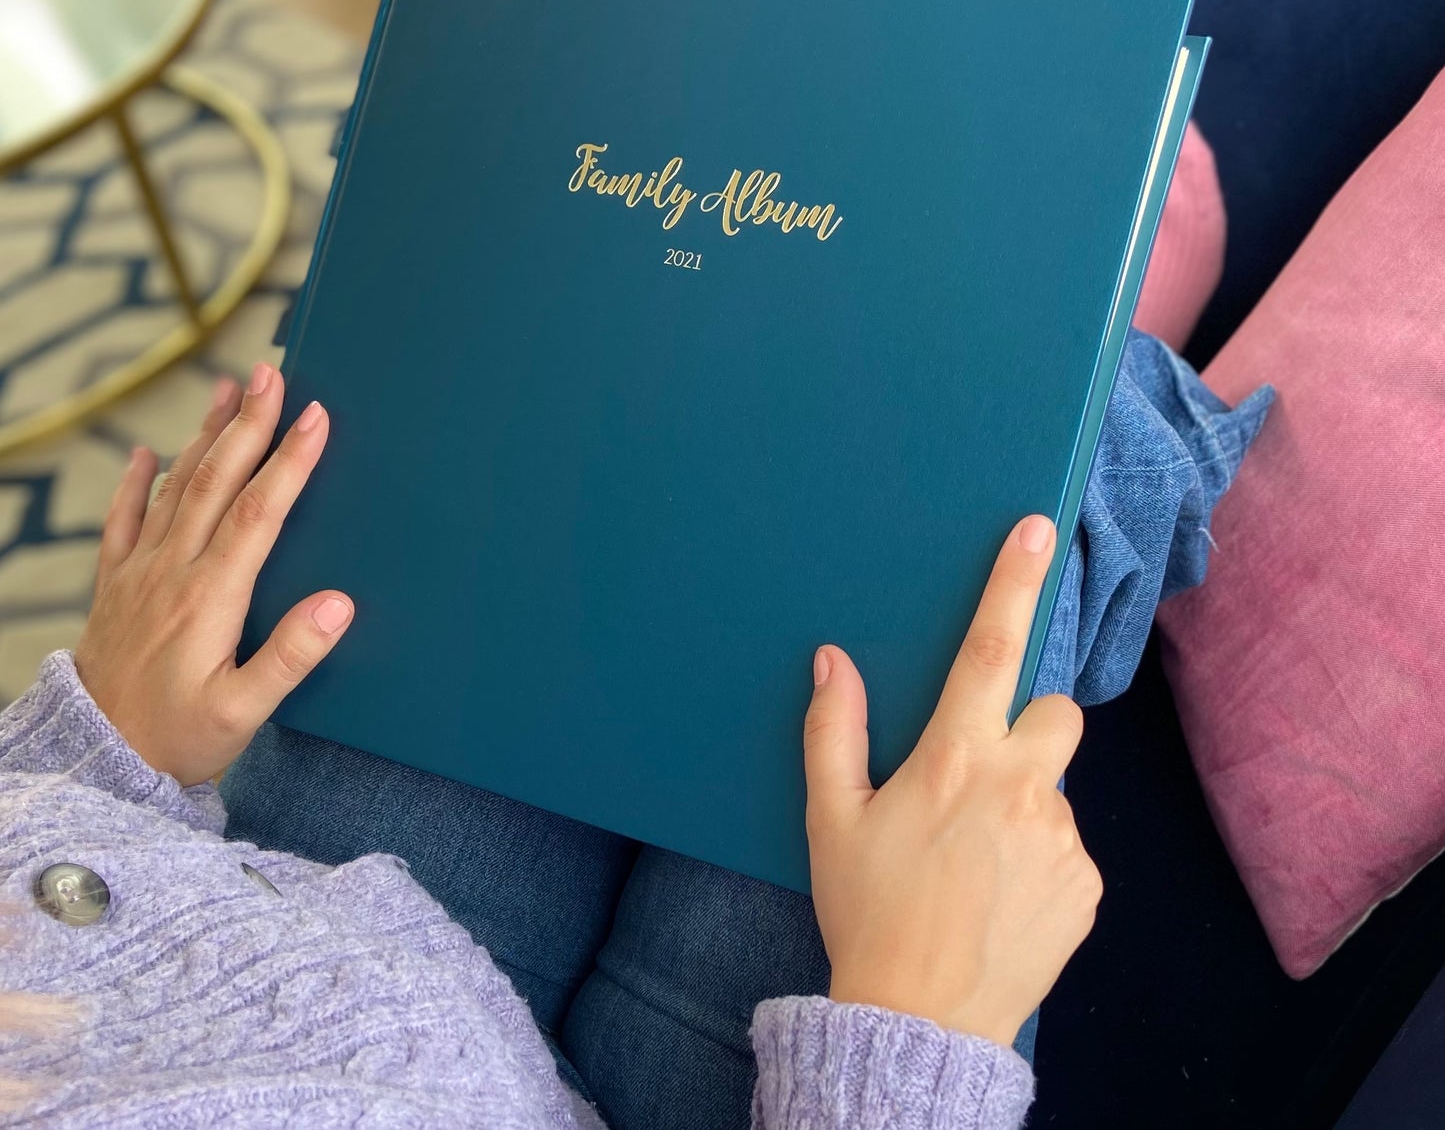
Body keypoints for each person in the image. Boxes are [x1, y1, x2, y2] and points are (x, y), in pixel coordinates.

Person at [0, 366, 1101, 1128]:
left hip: (266, 929)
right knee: (1022, 459)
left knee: (514, 382)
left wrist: (92, 758)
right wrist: (906, 1051)